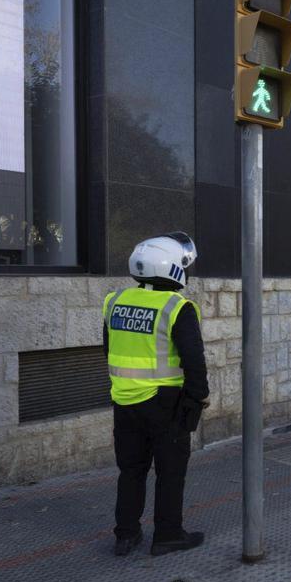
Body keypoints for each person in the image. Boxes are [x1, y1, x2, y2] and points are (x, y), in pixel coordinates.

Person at [103, 232, 210, 557]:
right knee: (170, 471)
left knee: (131, 470)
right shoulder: (177, 307)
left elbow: (108, 348)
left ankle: (126, 535)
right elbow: (194, 360)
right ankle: (167, 535)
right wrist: (198, 398)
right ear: (173, 268)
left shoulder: (115, 300)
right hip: (167, 404)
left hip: (124, 401)